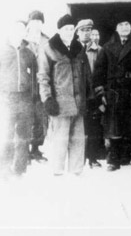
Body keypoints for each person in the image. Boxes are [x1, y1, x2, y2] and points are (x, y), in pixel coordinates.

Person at [92, 14, 131, 171]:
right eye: (121, 25)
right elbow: (98, 72)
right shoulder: (106, 48)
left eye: (127, 24)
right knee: (115, 127)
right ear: (116, 29)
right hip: (114, 92)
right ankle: (114, 161)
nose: (125, 27)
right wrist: (101, 94)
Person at [37, 14, 90, 176]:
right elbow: (43, 77)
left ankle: (76, 171)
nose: (69, 32)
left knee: (77, 140)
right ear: (59, 31)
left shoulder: (79, 49)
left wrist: (91, 97)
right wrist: (47, 99)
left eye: (71, 29)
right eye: (66, 29)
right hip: (60, 104)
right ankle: (57, 171)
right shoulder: (48, 48)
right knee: (60, 140)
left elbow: (87, 75)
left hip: (78, 103)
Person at [0, 20, 37, 178]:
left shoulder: (29, 53)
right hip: (7, 99)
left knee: (23, 135)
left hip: (25, 99)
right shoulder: (1, 51)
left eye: (22, 30)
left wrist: (33, 97)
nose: (19, 33)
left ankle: (19, 169)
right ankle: (3, 167)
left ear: (25, 33)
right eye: (15, 30)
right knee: (7, 134)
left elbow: (34, 78)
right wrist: (0, 96)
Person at [76, 19, 105, 168]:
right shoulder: (73, 49)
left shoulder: (99, 50)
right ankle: (79, 158)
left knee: (93, 126)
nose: (86, 32)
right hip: (78, 93)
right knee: (78, 127)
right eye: (83, 30)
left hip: (93, 93)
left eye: (89, 29)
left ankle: (93, 157)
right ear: (78, 32)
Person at [25, 10, 49, 163]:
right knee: (26, 119)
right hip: (26, 86)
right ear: (29, 23)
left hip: (42, 84)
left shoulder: (47, 40)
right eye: (33, 22)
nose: (36, 24)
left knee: (41, 119)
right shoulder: (22, 40)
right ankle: (24, 151)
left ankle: (36, 149)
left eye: (39, 21)